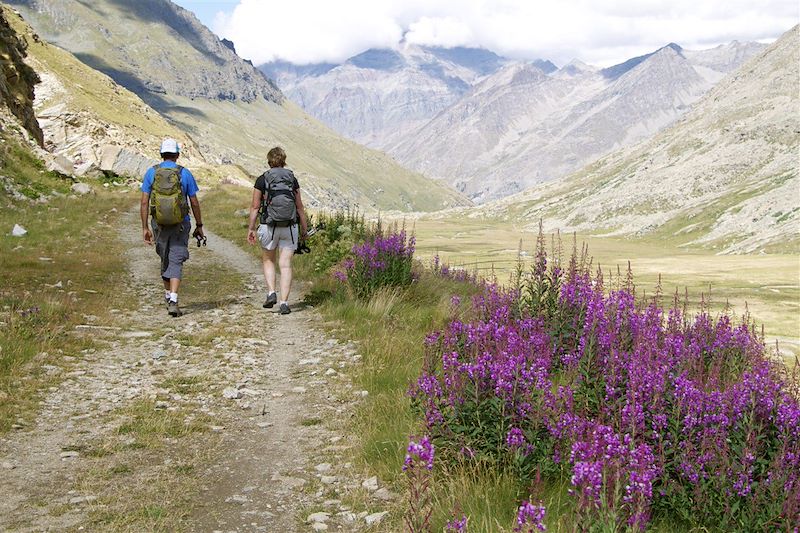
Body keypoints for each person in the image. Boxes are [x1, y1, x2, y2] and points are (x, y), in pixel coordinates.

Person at [140, 138, 204, 317]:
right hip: (180, 223)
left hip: (158, 223)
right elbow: (194, 202)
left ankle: (168, 295)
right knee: (176, 258)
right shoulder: (185, 173)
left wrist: (145, 227)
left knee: (165, 257)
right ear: (177, 154)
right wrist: (199, 225)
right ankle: (174, 299)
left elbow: (144, 203)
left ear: (161, 154)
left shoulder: (151, 173)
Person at [247, 146, 307, 314]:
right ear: (284, 160)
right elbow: (300, 207)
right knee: (286, 265)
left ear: (269, 161)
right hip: (290, 226)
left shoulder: (262, 179)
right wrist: (304, 228)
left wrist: (251, 228)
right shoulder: (292, 179)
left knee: (268, 260)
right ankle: (284, 303)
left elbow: (254, 206)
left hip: (269, 225)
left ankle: (271, 292)